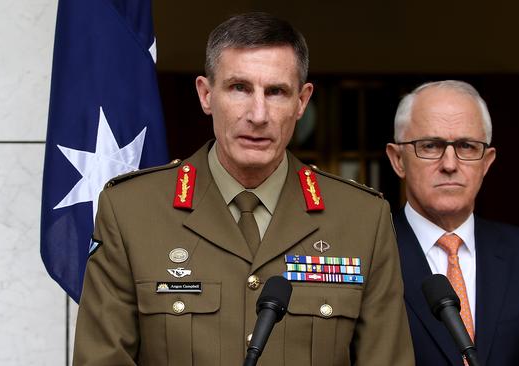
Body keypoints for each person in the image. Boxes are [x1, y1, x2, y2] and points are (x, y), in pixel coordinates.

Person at [73, 12, 414, 365]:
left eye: (277, 92)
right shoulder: (132, 212)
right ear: (206, 95)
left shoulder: (362, 219)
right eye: (240, 88)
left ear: (301, 101)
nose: (258, 114)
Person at [385, 80, 519, 365]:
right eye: (430, 146)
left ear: (487, 162)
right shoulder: (369, 254)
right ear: (398, 160)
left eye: (466, 146)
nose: (450, 164)